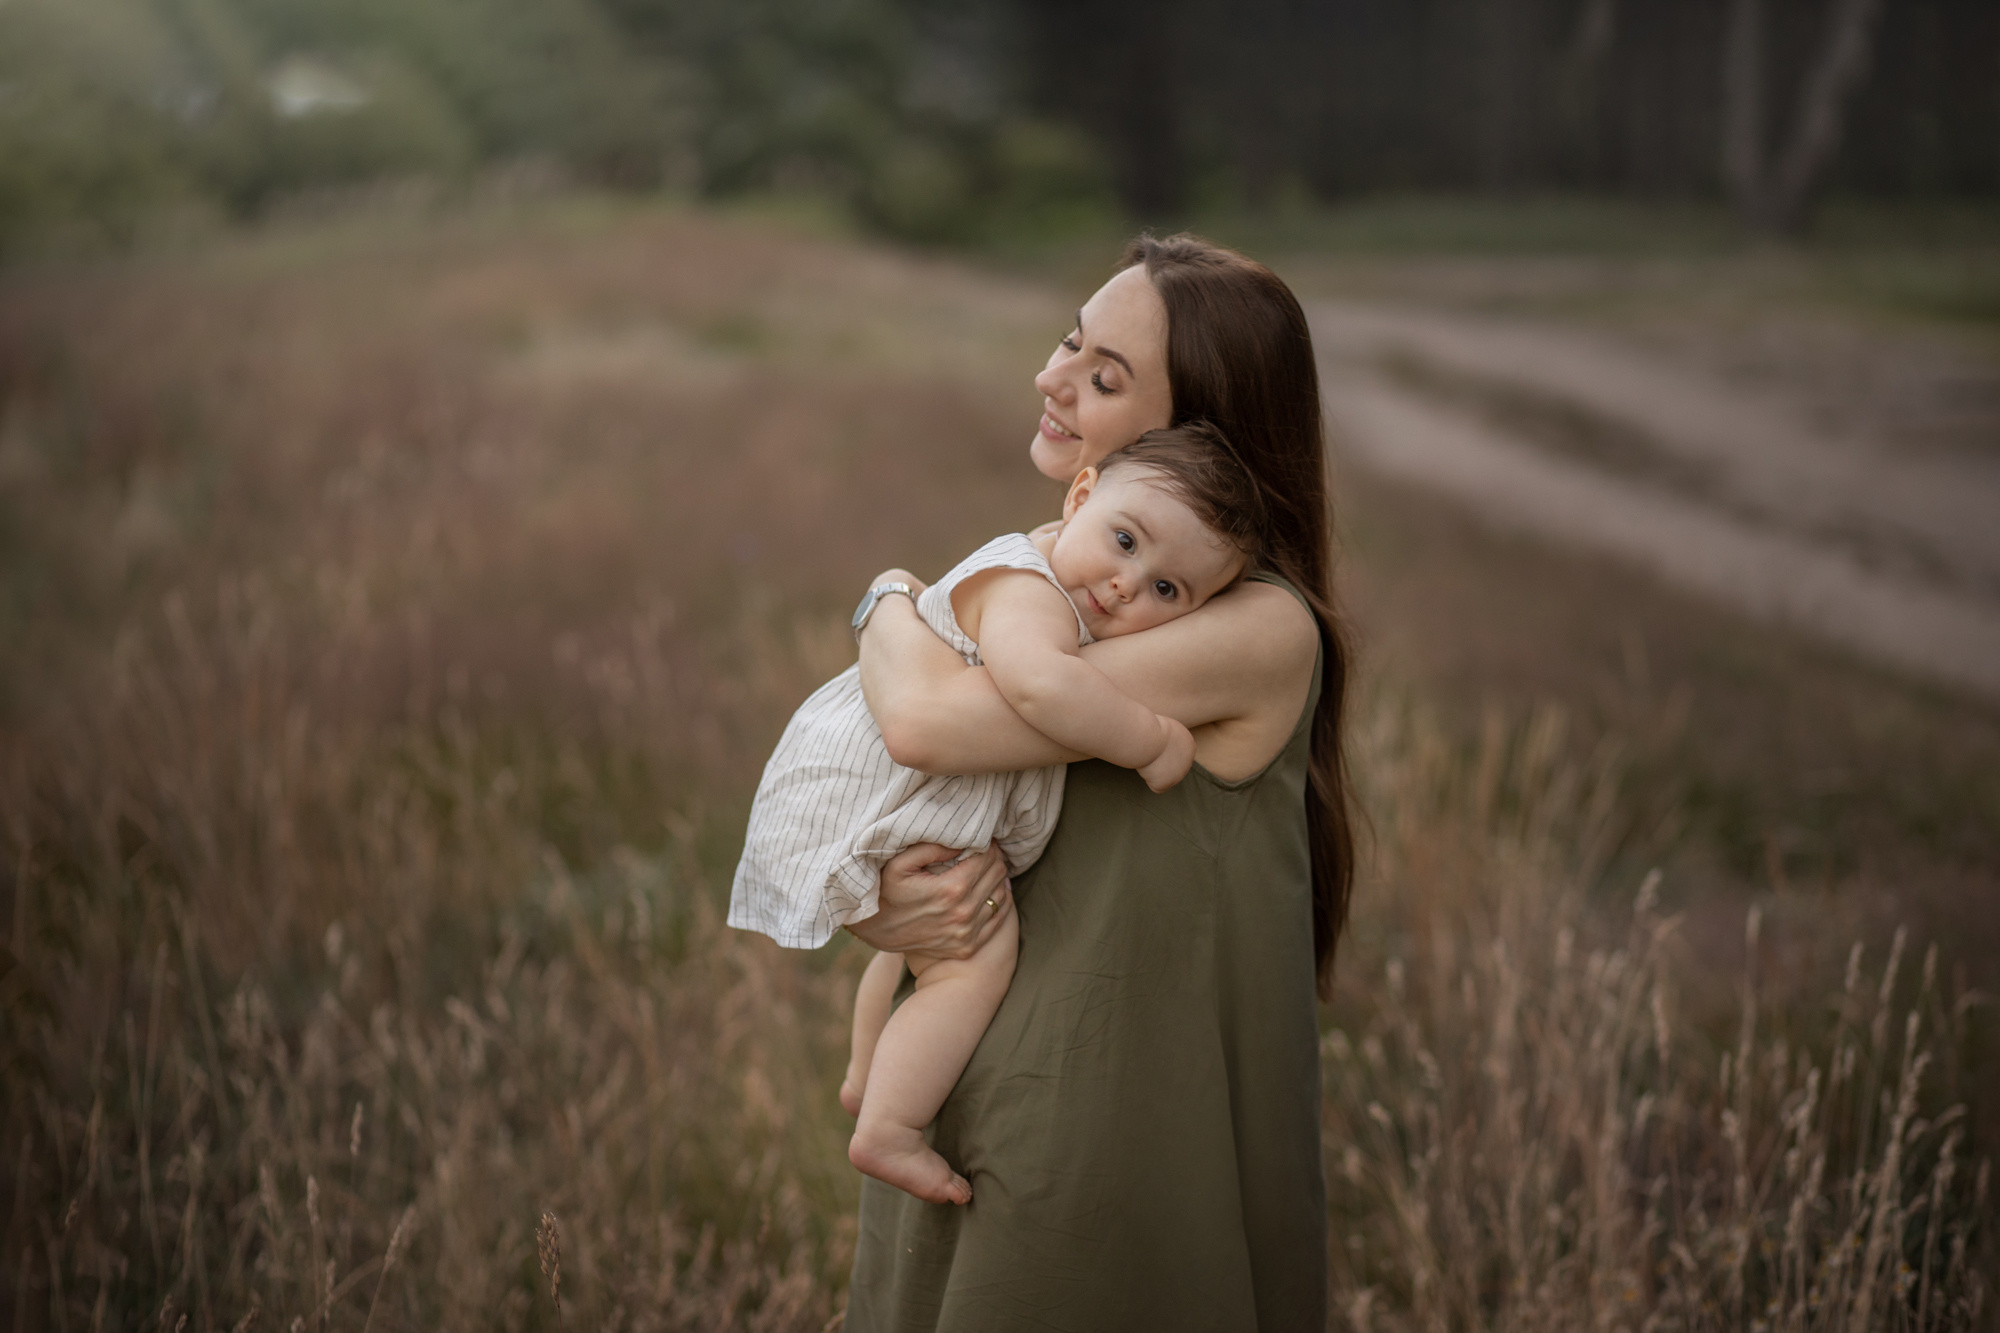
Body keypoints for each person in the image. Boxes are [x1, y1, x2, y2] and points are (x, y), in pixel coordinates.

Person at [840, 234, 1354, 1330]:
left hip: (1097, 1143)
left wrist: (885, 595)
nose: (1051, 377)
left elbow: (922, 717)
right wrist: (890, 911)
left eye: (1104, 375)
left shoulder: (1256, 625)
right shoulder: (1075, 571)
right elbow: (932, 802)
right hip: (965, 1106)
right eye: (1070, 344)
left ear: (1197, 430)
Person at [731, 425, 1269, 1207]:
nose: (1127, 584)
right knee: (970, 961)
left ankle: (863, 1073)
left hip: (913, 785)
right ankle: (890, 1125)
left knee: (917, 946)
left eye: (1167, 591)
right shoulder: (1028, 589)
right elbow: (1040, 686)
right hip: (904, 786)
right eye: (1123, 541)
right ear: (1080, 497)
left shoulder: (1061, 584)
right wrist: (1147, 738)